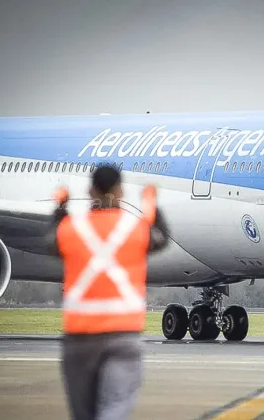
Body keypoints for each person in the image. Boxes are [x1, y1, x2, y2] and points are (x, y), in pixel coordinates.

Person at [45, 164, 170, 420]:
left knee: (84, 413)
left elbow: (51, 241)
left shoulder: (72, 228)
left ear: (90, 191)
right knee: (114, 407)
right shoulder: (134, 229)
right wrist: (153, 205)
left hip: (80, 339)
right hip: (123, 336)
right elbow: (161, 237)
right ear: (121, 191)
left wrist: (60, 209)